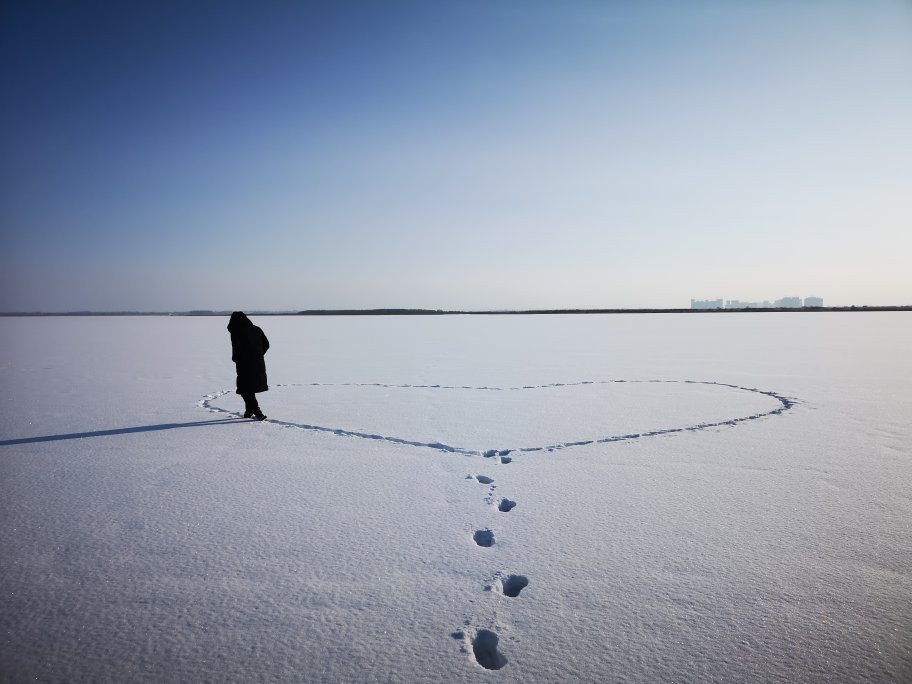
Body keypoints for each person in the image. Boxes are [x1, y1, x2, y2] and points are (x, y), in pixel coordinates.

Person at [227, 311, 269, 420]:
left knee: (244, 389)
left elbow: (236, 348)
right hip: (258, 363)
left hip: (244, 364)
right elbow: (266, 344)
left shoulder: (236, 332)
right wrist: (258, 355)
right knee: (248, 388)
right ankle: (249, 411)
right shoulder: (257, 329)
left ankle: (257, 411)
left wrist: (236, 359)